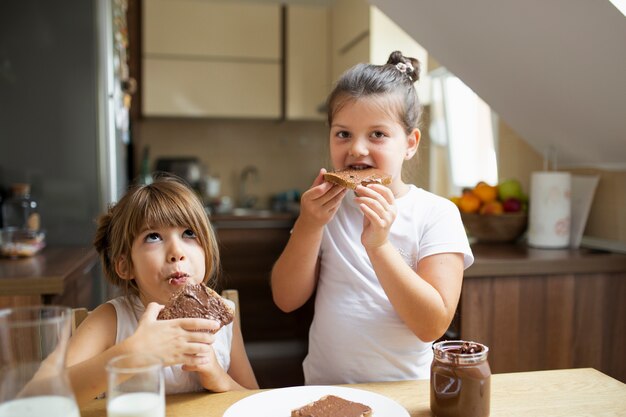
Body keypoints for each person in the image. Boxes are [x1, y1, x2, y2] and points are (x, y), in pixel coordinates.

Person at [271, 51, 474, 385]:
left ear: (410, 143)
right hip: (325, 388)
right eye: (343, 133)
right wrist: (309, 225)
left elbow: (432, 326)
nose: (357, 149)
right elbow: (286, 299)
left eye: (377, 134)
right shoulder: (325, 209)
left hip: (405, 392)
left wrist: (378, 245)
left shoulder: (437, 214)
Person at [67, 174, 258, 405]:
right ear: (126, 266)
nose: (177, 251)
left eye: (189, 233)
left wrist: (219, 378)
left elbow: (255, 400)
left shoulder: (224, 315)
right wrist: (132, 355)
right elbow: (47, 397)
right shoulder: (112, 321)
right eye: (153, 237)